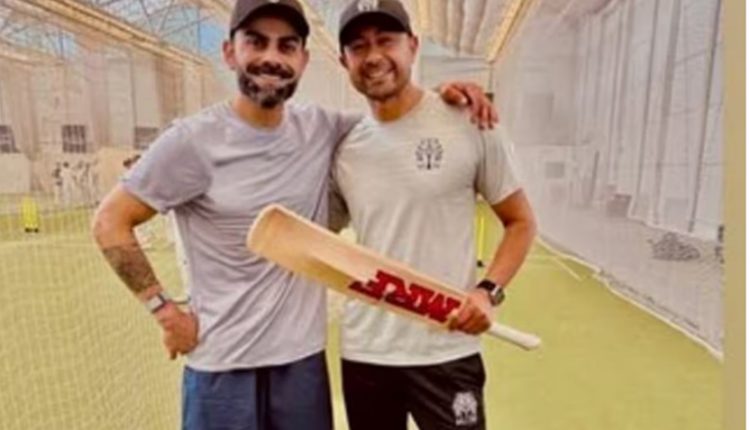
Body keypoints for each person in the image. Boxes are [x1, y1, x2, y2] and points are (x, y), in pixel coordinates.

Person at [91, 1, 498, 429]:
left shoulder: (323, 128)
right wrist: (164, 310)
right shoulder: (191, 141)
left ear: (302, 59)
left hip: (301, 367)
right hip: (221, 366)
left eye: (286, 46)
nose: (271, 57)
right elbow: (109, 222)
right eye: (256, 42)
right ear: (229, 52)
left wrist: (445, 98)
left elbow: (393, 113)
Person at [330, 1, 537, 429]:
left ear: (413, 45)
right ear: (343, 60)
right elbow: (317, 229)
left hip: (448, 349)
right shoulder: (343, 147)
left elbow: (520, 222)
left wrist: (488, 292)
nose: (373, 56)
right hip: (367, 352)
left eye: (386, 40)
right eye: (358, 46)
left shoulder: (469, 120)